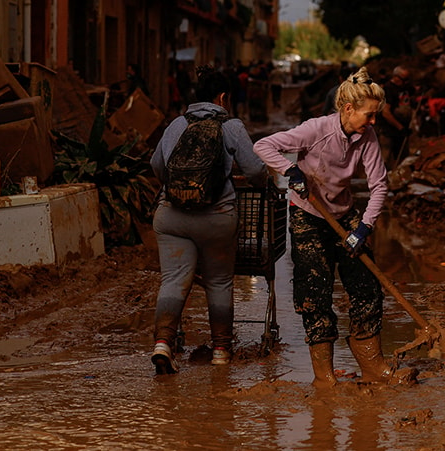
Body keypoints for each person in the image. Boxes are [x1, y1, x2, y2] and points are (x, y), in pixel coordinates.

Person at [253, 67, 394, 387]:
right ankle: (325, 377)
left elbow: (379, 185)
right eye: (369, 115)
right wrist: (292, 171)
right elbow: (264, 146)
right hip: (307, 216)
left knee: (366, 285)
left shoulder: (367, 137)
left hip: (344, 216)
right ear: (348, 109)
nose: (373, 122)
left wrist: (365, 228)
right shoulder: (315, 130)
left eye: (375, 116)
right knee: (315, 293)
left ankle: (373, 367)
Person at [148, 66, 267, 374]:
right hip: (216, 219)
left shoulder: (176, 124)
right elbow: (255, 170)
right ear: (223, 97)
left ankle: (163, 343)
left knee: (173, 280)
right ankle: (221, 351)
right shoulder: (232, 126)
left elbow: (158, 167)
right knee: (218, 281)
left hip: (172, 216)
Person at [379, 66, 413, 165]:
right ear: (396, 77)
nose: (406, 82)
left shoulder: (404, 88)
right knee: (385, 159)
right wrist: (400, 127)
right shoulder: (388, 89)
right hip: (389, 131)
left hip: (402, 132)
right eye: (404, 79)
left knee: (403, 160)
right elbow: (386, 113)